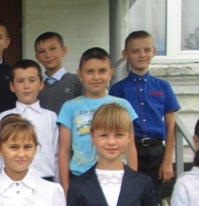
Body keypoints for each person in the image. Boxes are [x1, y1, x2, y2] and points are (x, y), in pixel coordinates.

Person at [110, 30, 181, 199]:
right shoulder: (118, 89)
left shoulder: (163, 86)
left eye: (146, 50)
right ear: (125, 54)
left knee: (152, 198)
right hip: (129, 149)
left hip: (156, 151)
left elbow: (171, 124)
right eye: (135, 51)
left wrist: (168, 160)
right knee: (129, 197)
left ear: (153, 52)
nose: (142, 55)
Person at [57, 47, 138, 194]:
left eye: (102, 71)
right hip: (80, 177)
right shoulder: (70, 107)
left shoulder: (123, 105)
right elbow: (64, 150)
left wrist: (132, 183)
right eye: (90, 72)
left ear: (111, 73)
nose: (96, 77)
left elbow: (130, 147)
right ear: (80, 74)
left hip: (117, 177)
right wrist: (66, 187)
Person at [0, 59, 58, 182]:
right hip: (11, 180)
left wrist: (59, 187)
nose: (26, 86)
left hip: (45, 180)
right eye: (20, 81)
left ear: (41, 84)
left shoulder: (51, 117)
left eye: (32, 80)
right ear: (12, 86)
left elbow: (57, 155)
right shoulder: (4, 117)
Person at [34, 32, 81, 114]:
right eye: (42, 51)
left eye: (52, 49)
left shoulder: (77, 81)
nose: (48, 55)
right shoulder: (35, 85)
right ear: (37, 57)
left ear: (64, 51)